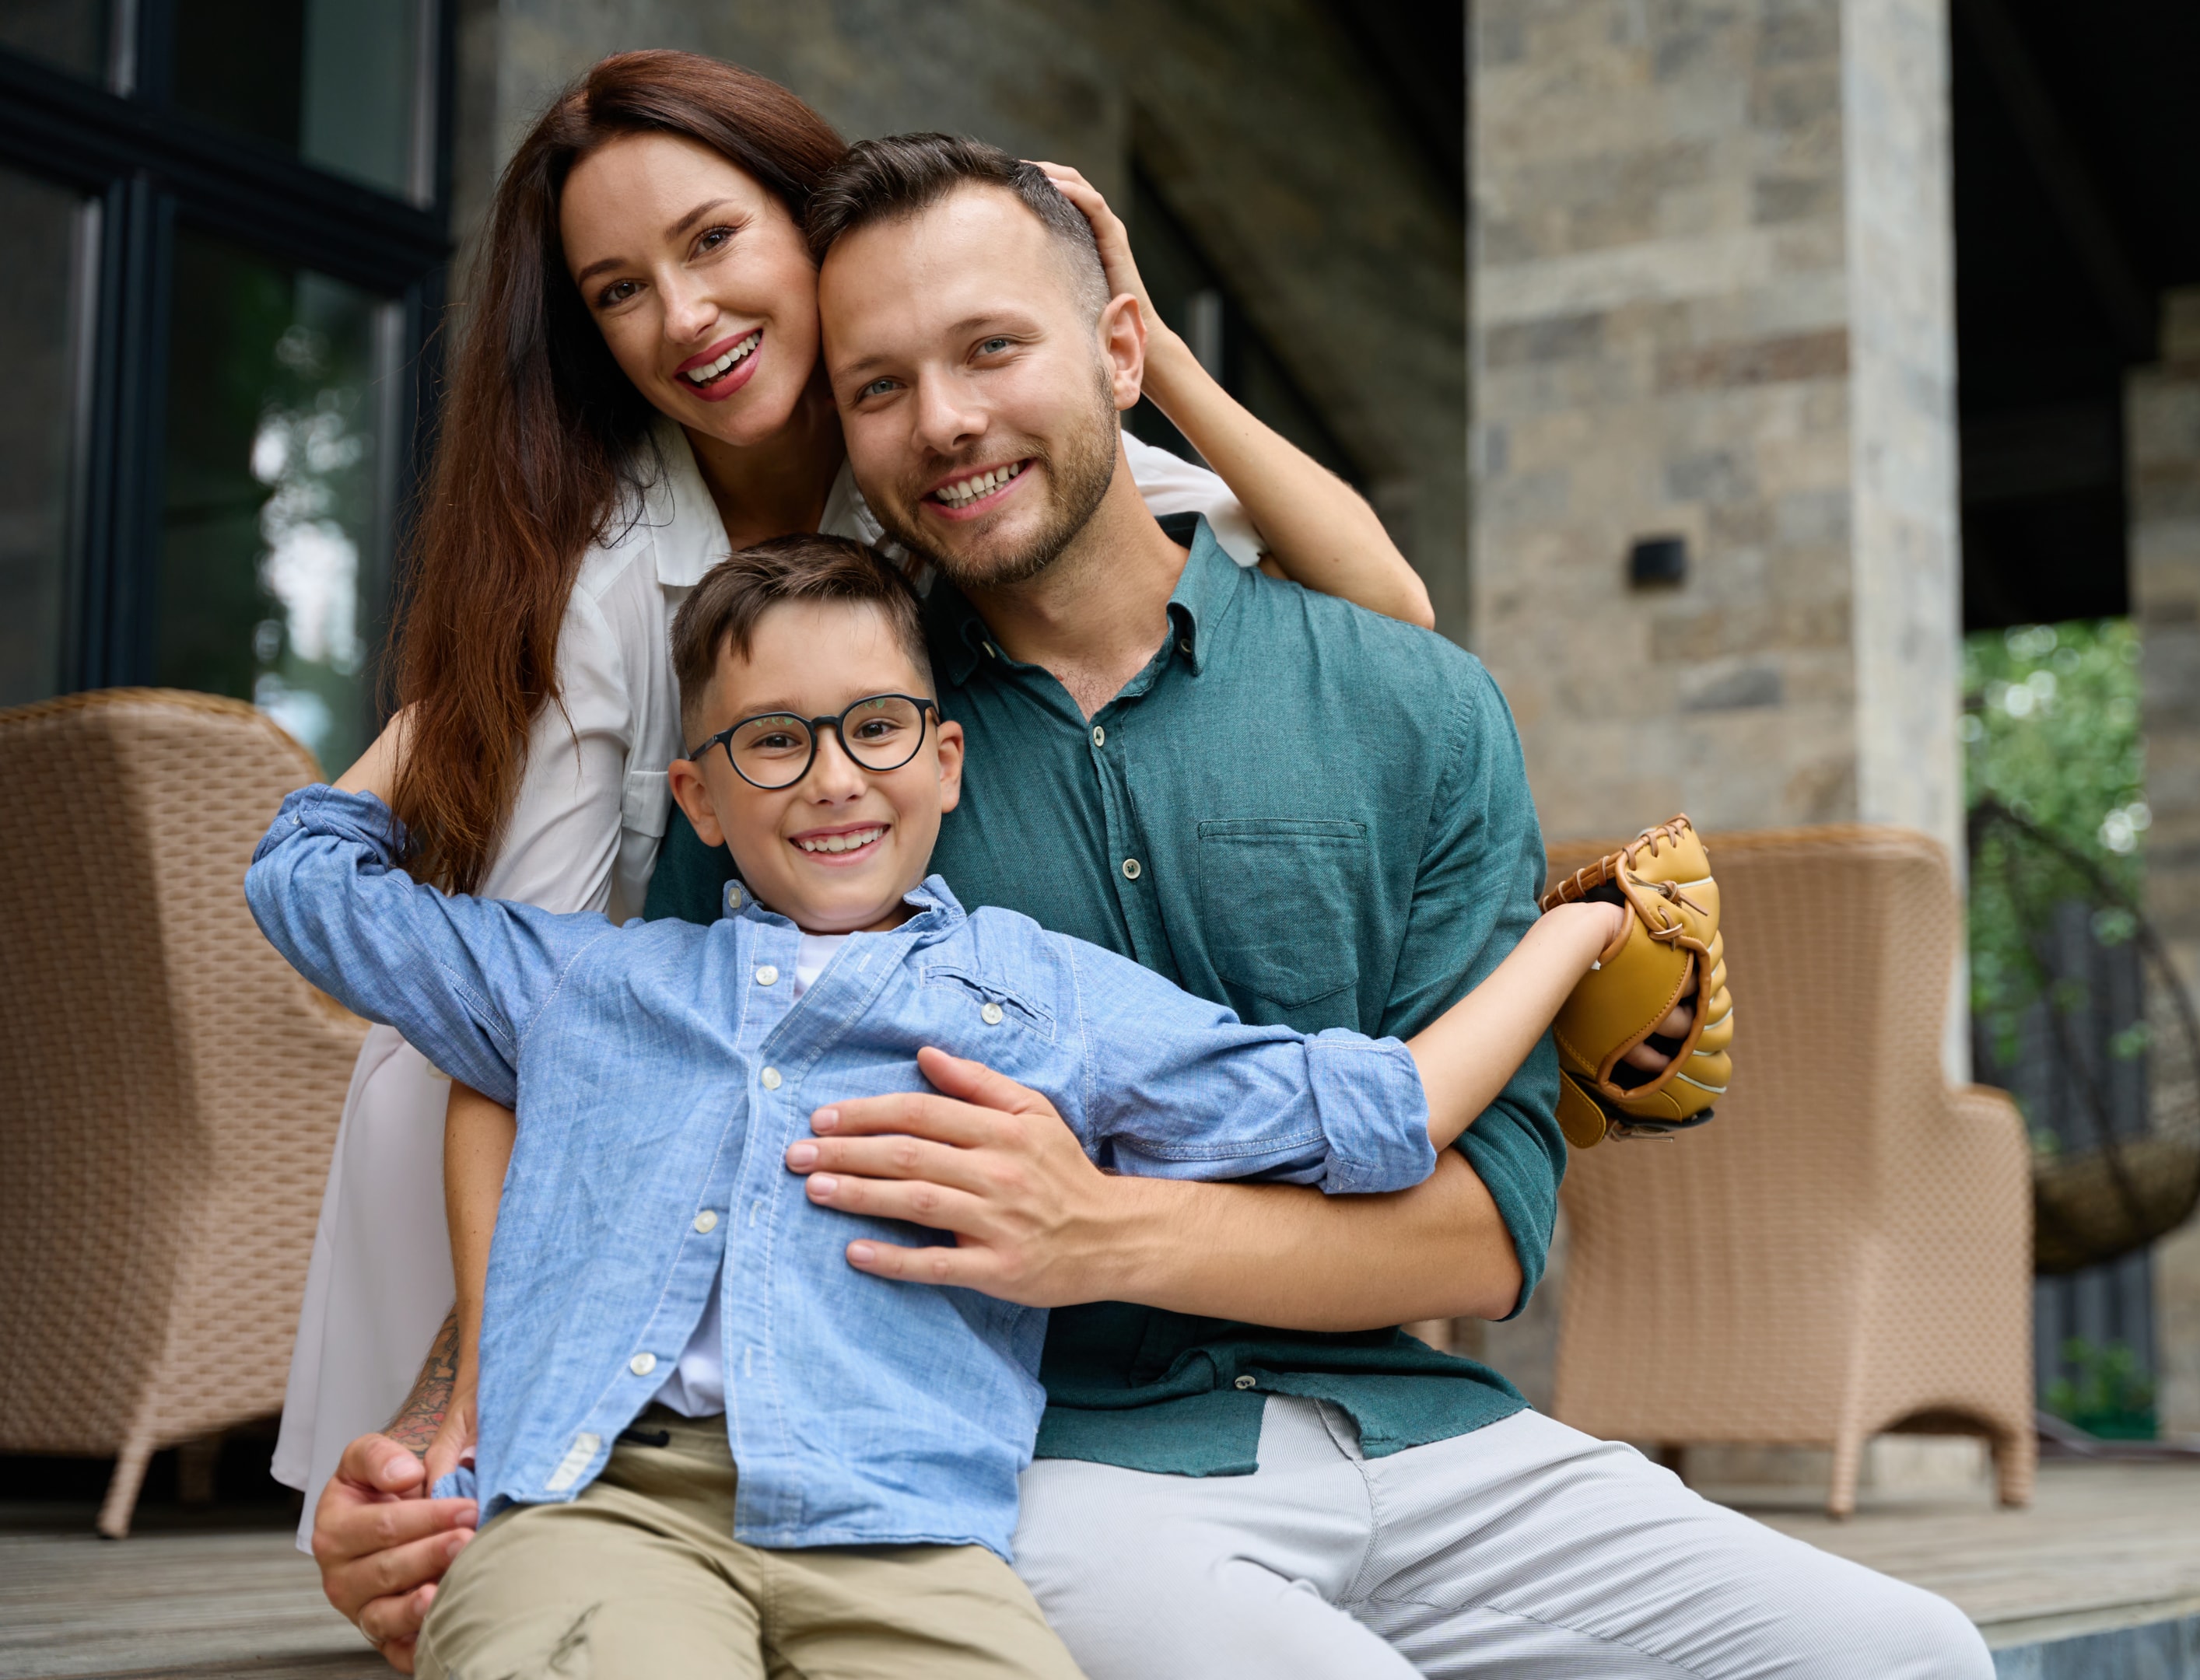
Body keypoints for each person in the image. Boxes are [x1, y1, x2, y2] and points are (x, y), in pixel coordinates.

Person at [315, 123, 1992, 1680]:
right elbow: (639, 1092)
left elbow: (1487, 1237)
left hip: (1428, 1432)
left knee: (1920, 1658)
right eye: (879, 384)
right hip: (1053, 1466)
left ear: (1119, 352)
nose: (946, 421)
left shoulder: (1404, 703)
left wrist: (1101, 1230)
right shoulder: (832, 764)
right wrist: (459, 1431)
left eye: (992, 348)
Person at [279, 50, 1435, 1650]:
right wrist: (482, 1401)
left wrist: (1138, 341)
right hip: (564, 1170)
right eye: (618, 289)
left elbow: (1393, 625)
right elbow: (510, 1044)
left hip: (805, 1242)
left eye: (712, 242)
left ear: (814, 237)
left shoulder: (944, 463)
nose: (681, 316)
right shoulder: (606, 576)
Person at [247, 534, 1634, 1680]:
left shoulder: (1043, 1002)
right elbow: (304, 883)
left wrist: (1576, 937)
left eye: (875, 728)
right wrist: (485, 675)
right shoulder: (587, 983)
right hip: (607, 1504)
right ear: (700, 798)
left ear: (947, 760)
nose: (836, 777)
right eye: (773, 742)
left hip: (910, 1532)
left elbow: (1374, 1110)